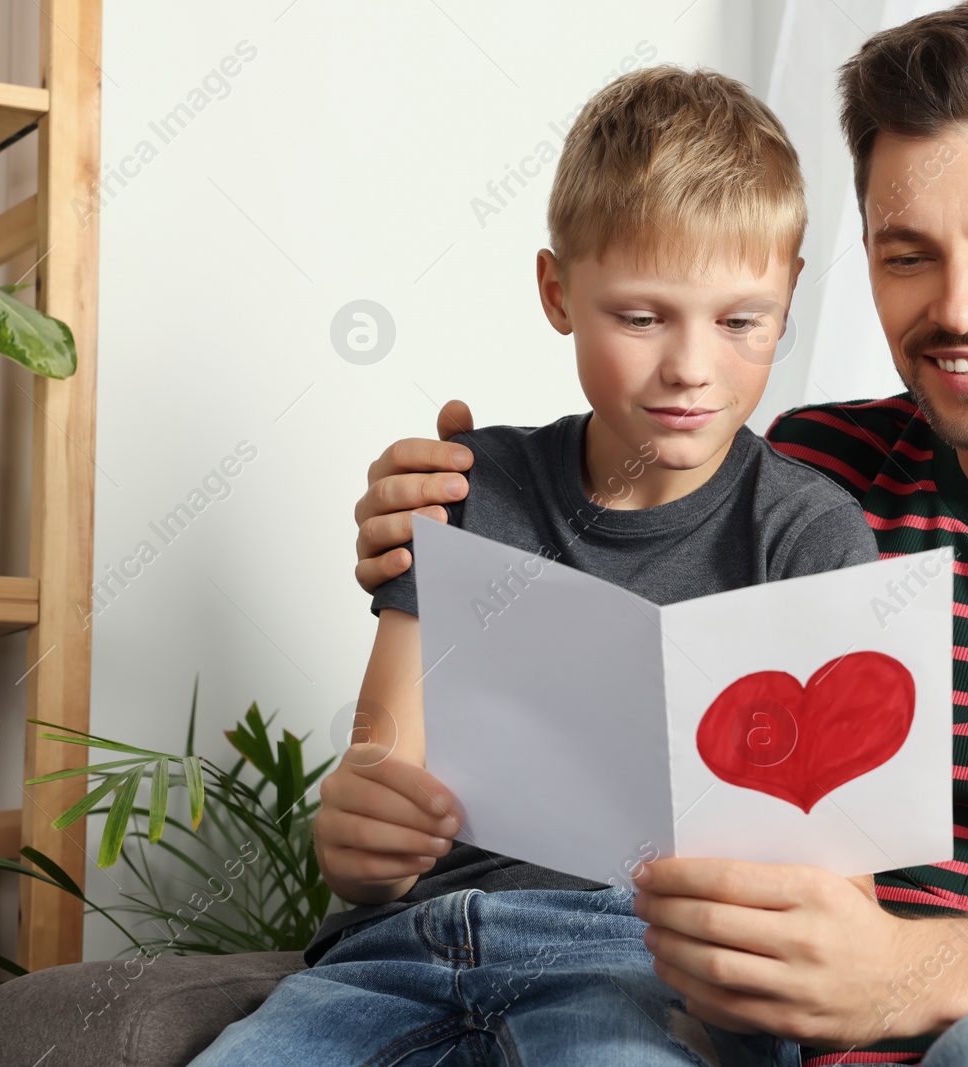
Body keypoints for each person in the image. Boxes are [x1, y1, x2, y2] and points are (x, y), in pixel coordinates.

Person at [349, 4, 968, 1066]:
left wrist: (908, 974)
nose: (961, 306)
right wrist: (437, 517)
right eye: (907, 253)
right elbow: (589, 593)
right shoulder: (809, 477)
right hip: (751, 1038)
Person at [190, 66, 879, 1066]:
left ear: (789, 296)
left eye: (739, 320)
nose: (691, 364)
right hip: (396, 954)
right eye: (641, 317)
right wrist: (360, 835)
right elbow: (380, 774)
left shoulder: (808, 537)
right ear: (559, 292)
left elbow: (837, 903)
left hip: (638, 962)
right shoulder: (474, 489)